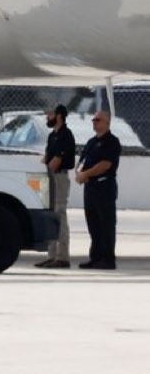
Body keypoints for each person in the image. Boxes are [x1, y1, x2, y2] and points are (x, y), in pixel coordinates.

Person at [75, 109, 120, 269]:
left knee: (105, 223)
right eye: (93, 120)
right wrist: (79, 174)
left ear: (107, 122)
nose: (95, 122)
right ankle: (96, 257)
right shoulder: (91, 142)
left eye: (98, 120)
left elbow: (105, 164)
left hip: (104, 186)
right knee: (93, 223)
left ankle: (107, 259)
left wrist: (86, 173)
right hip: (90, 187)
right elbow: (83, 160)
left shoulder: (111, 141)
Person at [36, 103, 75, 268]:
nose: (47, 117)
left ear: (59, 115)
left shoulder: (66, 135)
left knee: (59, 214)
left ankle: (62, 256)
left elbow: (57, 160)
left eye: (50, 114)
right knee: (50, 216)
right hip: (50, 177)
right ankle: (52, 255)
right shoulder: (53, 135)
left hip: (58, 177)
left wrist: (47, 172)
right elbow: (47, 157)